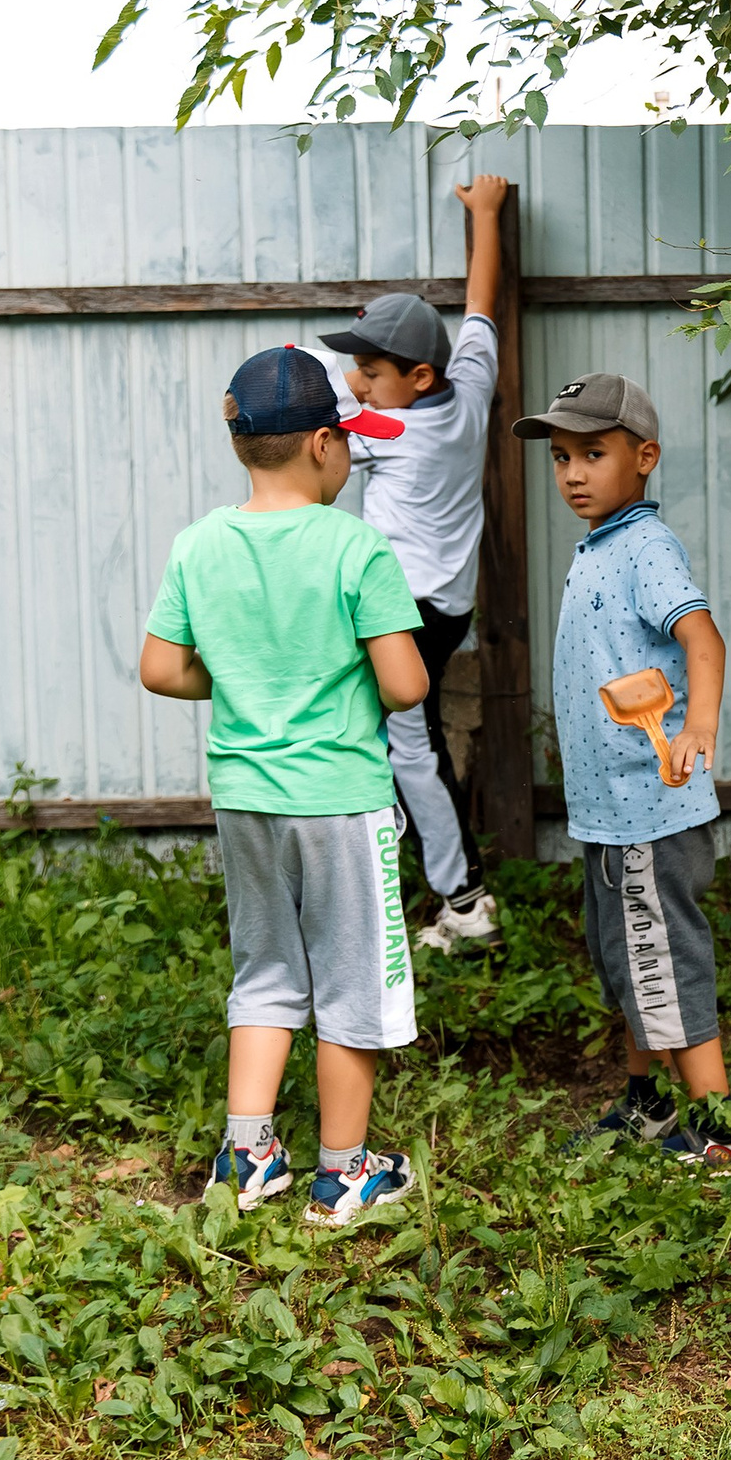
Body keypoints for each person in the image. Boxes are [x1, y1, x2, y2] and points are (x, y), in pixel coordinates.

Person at [141, 346, 429, 1227]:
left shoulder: (200, 544)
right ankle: (344, 1173)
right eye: (345, 440)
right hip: (340, 798)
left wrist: (238, 684)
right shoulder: (354, 546)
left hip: (245, 797)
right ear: (319, 445)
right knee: (353, 979)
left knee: (264, 971)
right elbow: (408, 684)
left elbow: (160, 668)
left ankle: (248, 1155)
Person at [513, 373, 731, 1167]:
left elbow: (702, 641)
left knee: (664, 961)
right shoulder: (602, 542)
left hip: (652, 805)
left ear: (643, 456)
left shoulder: (645, 545)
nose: (573, 472)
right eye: (561, 456)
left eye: (594, 453)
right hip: (609, 809)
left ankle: (719, 1137)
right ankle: (648, 1103)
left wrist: (700, 726)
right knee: (629, 961)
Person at [318, 174, 510, 952]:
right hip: (448, 604)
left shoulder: (391, 433)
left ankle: (464, 900)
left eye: (372, 371)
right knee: (403, 737)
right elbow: (482, 306)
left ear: (417, 377)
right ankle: (431, 883)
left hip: (407, 607)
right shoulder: (470, 388)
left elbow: (326, 439)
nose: (359, 382)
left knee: (409, 743)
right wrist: (486, 217)